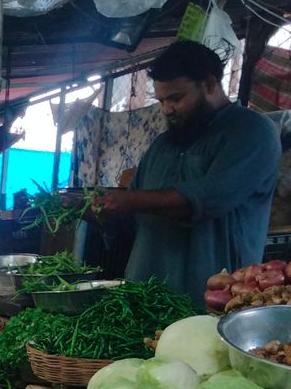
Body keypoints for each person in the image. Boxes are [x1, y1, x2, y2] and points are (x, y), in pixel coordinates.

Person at [94, 40, 281, 303]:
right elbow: (131, 216)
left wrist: (129, 200)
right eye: (161, 100)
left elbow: (210, 197)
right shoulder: (162, 145)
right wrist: (102, 213)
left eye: (175, 98)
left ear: (209, 84)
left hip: (211, 303)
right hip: (143, 299)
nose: (166, 110)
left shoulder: (252, 132)